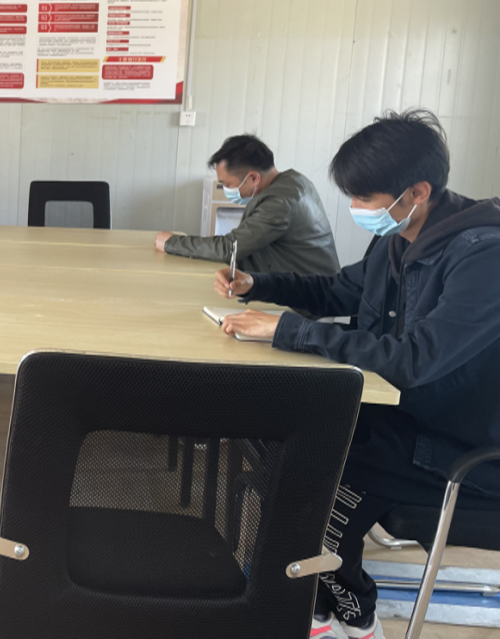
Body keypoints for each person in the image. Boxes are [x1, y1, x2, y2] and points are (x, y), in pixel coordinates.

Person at [215, 111, 500, 639]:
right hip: (397, 415)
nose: (355, 209)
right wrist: (258, 285)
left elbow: (416, 358)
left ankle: (352, 614)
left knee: (318, 481)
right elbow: (337, 291)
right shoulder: (398, 237)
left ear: (417, 191)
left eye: (365, 198)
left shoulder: (483, 257)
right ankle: (317, 609)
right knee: (292, 442)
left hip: (456, 442)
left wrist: (289, 331)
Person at [154, 134, 340, 276]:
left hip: (307, 304)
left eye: (228, 184)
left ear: (253, 178)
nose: (227, 190)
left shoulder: (278, 204)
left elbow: (229, 248)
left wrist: (172, 243)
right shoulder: (294, 181)